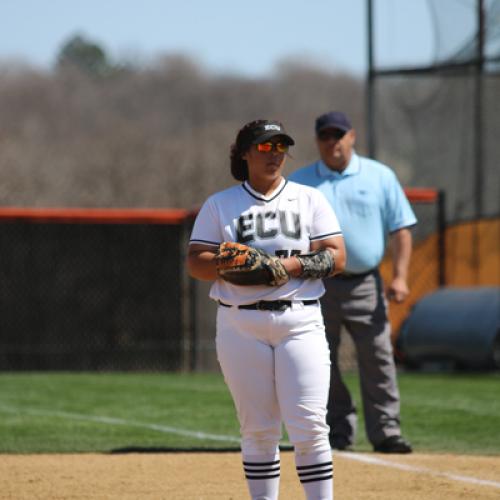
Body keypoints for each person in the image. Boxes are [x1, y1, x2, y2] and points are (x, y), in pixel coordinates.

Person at [187, 119, 346, 500]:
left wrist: (290, 267)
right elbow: (196, 262)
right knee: (258, 429)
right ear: (244, 153)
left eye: (280, 147)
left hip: (300, 320)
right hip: (240, 323)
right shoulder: (221, 204)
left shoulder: (309, 199)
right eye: (263, 147)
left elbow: (337, 256)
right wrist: (227, 264)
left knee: (309, 425)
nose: (273, 154)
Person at [289, 111, 416, 454]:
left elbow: (401, 229)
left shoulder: (379, 176)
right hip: (316, 284)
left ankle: (386, 431)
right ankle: (337, 429)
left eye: (338, 135)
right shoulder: (299, 183)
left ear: (352, 136)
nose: (333, 142)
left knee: (378, 356)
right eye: (326, 136)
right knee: (319, 358)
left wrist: (401, 276)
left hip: (365, 283)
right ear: (318, 141)